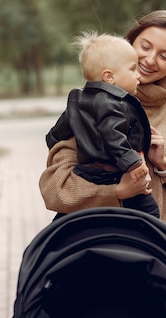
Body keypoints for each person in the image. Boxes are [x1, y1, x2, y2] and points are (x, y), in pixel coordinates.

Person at [39, 10, 166, 258]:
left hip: (158, 257)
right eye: (145, 46)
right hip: (92, 252)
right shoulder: (90, 105)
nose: (150, 60)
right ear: (129, 43)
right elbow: (54, 188)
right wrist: (116, 192)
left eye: (164, 55)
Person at [45, 32, 159, 218]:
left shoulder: (78, 98)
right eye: (132, 69)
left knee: (74, 217)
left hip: (85, 171)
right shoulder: (111, 103)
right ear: (109, 77)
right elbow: (113, 136)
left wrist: (52, 140)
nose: (138, 75)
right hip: (112, 172)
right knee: (149, 212)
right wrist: (133, 164)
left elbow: (60, 130)